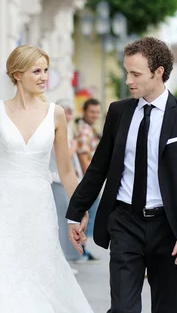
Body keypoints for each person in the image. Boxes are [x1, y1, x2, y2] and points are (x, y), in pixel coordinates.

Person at [66, 36, 177, 313]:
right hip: (125, 223)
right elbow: (99, 167)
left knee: (168, 308)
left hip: (170, 229)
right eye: (126, 72)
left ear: (158, 72)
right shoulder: (119, 112)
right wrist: (76, 212)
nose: (128, 80)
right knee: (122, 309)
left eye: (135, 73)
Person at [0, 44, 93, 313]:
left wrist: (80, 209)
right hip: (0, 207)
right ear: (17, 75)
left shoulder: (56, 114)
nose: (44, 77)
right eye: (37, 71)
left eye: (46, 70)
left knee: (39, 278)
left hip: (37, 206)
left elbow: (66, 171)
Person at [50, 99, 84, 266]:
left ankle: (69, 258)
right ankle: (63, 259)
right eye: (67, 112)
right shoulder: (56, 128)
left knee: (68, 220)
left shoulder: (69, 129)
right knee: (63, 221)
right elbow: (60, 158)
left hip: (69, 179)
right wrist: (73, 148)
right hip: (57, 179)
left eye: (70, 112)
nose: (69, 116)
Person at [74, 97, 102, 262]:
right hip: (87, 180)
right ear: (84, 111)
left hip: (89, 178)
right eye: (92, 111)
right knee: (85, 216)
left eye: (97, 112)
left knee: (88, 215)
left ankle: (83, 249)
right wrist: (91, 181)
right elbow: (83, 157)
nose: (95, 115)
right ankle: (80, 250)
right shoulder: (84, 131)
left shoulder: (89, 129)